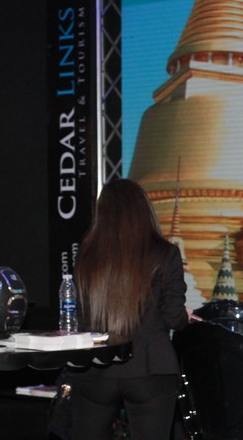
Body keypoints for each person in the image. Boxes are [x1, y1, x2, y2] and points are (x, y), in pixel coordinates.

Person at [68, 178, 194, 440]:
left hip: (94, 368)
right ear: (144, 211)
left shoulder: (87, 254)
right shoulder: (165, 253)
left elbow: (80, 314)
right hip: (150, 368)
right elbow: (173, 318)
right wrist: (185, 316)